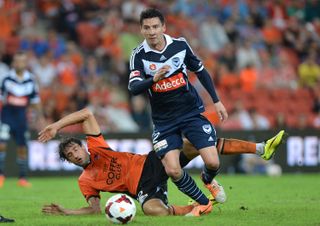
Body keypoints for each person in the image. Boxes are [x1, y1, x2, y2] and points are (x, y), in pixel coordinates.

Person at [38, 108, 286, 217]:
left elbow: (87, 114)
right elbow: (94, 209)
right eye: (70, 155)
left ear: (82, 146)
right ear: (70, 162)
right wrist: (66, 211)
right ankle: (195, 207)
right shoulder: (86, 181)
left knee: (196, 144)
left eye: (75, 148)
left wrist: (57, 126)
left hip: (151, 162)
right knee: (152, 211)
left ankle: (261, 149)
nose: (76, 154)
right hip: (143, 189)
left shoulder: (97, 146)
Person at [128, 8, 228, 211]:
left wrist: (216, 101)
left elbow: (200, 71)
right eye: (147, 28)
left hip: (190, 112)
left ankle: (209, 180)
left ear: (163, 27)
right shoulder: (138, 55)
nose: (152, 31)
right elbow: (133, 87)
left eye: (155, 26)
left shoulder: (180, 45)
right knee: (173, 170)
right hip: (164, 121)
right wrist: (153, 79)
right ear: (141, 30)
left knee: (213, 162)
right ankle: (204, 203)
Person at [0, 51, 45, 188]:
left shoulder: (31, 80)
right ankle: (1, 175)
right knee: (1, 144)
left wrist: (40, 118)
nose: (19, 64)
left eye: (22, 61)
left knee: (22, 147)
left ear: (25, 63)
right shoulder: (7, 78)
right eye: (17, 61)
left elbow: (35, 100)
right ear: (14, 63)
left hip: (21, 118)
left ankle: (23, 177)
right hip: (7, 117)